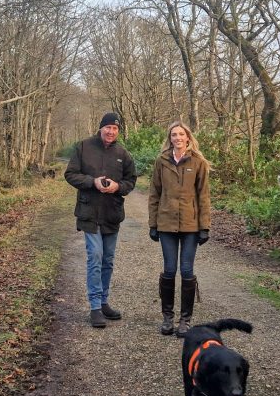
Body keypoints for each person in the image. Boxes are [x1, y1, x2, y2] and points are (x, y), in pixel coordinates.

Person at [65, 112, 137, 328]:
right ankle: (95, 306)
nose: (111, 131)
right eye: (107, 127)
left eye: (115, 129)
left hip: (111, 214)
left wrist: (118, 187)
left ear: (118, 131)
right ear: (100, 128)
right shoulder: (84, 147)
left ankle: (104, 301)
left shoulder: (123, 153)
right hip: (89, 212)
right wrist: (92, 181)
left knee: (107, 260)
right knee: (95, 257)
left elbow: (131, 180)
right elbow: (70, 174)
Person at [147, 121, 211, 337]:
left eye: (181, 134)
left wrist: (204, 226)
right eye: (174, 135)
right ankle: (167, 318)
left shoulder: (198, 162)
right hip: (165, 224)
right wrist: (153, 224)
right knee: (169, 269)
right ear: (170, 138)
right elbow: (154, 193)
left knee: (186, 270)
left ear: (188, 138)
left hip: (191, 225)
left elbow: (203, 196)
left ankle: (185, 320)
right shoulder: (161, 161)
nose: (177, 138)